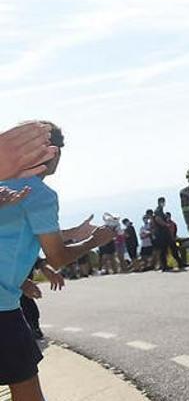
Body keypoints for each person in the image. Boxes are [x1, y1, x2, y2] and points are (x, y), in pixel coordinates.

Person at [0, 121, 116, 400]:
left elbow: (19, 234)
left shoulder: (3, 184)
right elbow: (57, 256)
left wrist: (73, 232)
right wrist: (92, 242)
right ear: (53, 153)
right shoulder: (40, 194)